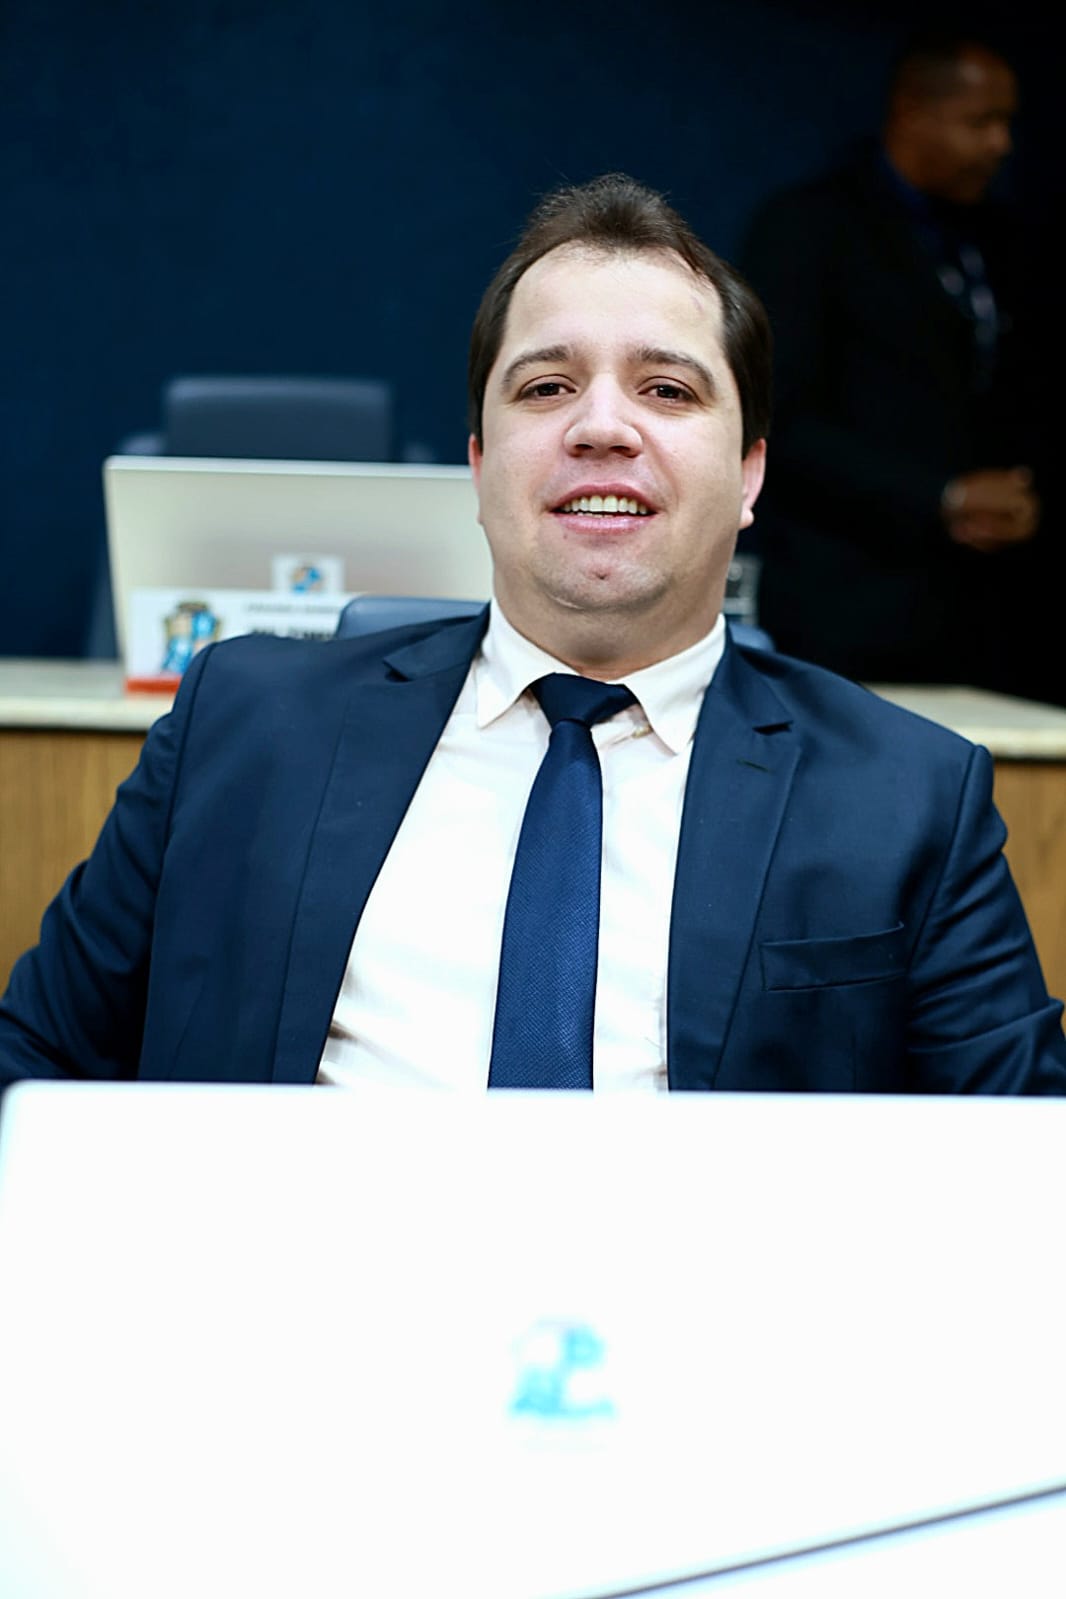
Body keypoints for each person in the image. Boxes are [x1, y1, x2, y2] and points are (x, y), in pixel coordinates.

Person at [1, 173, 1064, 1096]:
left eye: (666, 388)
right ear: (478, 463)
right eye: (547, 386)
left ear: (750, 473)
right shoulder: (241, 727)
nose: (601, 426)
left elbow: (1022, 1157)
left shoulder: (908, 797)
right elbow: (32, 1063)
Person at [741, 33, 1053, 696]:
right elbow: (776, 418)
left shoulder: (1000, 242)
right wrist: (942, 497)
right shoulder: (811, 227)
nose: (1001, 144)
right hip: (844, 606)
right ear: (912, 111)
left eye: (1007, 124)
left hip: (984, 615)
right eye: (980, 122)